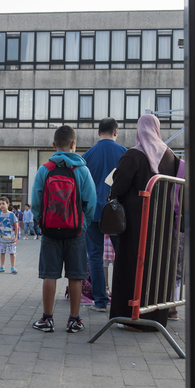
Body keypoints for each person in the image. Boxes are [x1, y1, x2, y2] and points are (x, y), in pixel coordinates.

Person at [109, 114, 180, 330]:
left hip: (136, 223)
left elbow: (118, 186)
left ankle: (131, 317)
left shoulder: (133, 155)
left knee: (133, 265)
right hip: (163, 224)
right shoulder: (170, 156)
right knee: (157, 266)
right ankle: (157, 318)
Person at [31, 125, 96, 333]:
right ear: (74, 144)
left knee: (49, 274)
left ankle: (47, 319)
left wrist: (42, 222)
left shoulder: (45, 169)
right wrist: (82, 225)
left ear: (54, 145)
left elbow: (36, 202)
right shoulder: (82, 170)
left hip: (50, 230)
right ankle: (74, 320)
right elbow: (91, 202)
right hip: (75, 231)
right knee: (75, 276)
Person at [81, 117, 127, 313]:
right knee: (122, 255)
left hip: (93, 212)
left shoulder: (88, 155)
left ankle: (100, 300)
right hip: (117, 212)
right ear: (116, 132)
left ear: (98, 132)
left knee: (95, 256)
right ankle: (122, 297)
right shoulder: (125, 153)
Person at [0, 197, 19, 273]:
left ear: (8, 204)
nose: (1, 205)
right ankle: (2, 266)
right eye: (0, 204)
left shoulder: (12, 215)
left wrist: (16, 236)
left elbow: (16, 226)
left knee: (12, 253)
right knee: (2, 252)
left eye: (3, 204)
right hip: (1, 238)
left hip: (10, 238)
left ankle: (13, 267)